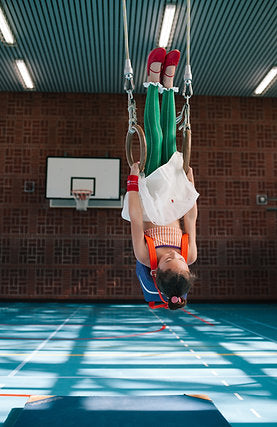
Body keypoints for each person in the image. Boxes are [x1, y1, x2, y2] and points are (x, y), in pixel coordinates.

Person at [122, 47, 199, 310]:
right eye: (181, 260)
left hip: (151, 198)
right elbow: (190, 218)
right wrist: (190, 187)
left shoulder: (145, 256)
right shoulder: (190, 255)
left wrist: (133, 182)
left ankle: (154, 80)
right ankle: (169, 81)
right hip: (176, 196)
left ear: (156, 272)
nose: (177, 255)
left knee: (154, 138)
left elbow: (135, 218)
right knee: (170, 136)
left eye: (170, 260)